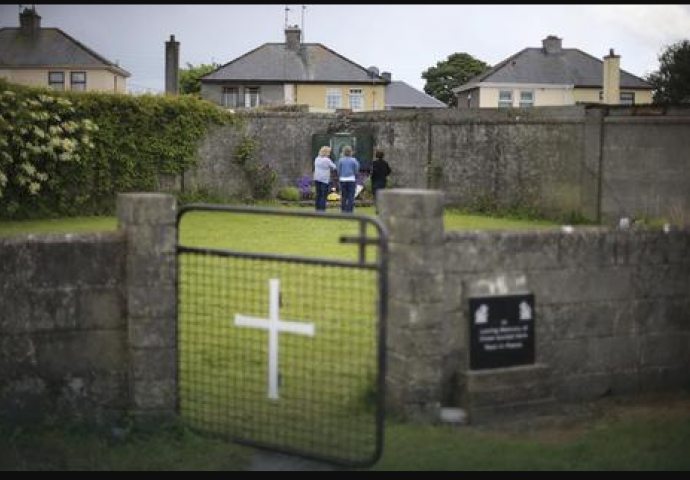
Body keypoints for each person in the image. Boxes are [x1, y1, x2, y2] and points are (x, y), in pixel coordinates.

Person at [337, 146, 360, 214]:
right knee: (351, 195)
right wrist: (355, 174)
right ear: (351, 152)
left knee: (343, 195)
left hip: (342, 179)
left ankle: (343, 210)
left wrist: (340, 175)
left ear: (343, 152)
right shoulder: (354, 160)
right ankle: (349, 210)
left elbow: (338, 170)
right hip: (351, 179)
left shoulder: (341, 160)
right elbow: (356, 169)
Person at [313, 146, 336, 212]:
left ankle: (317, 209)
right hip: (324, 179)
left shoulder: (317, 158)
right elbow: (334, 167)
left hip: (317, 178)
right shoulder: (327, 160)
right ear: (326, 152)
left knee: (318, 194)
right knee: (323, 195)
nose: (329, 153)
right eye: (329, 152)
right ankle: (322, 210)